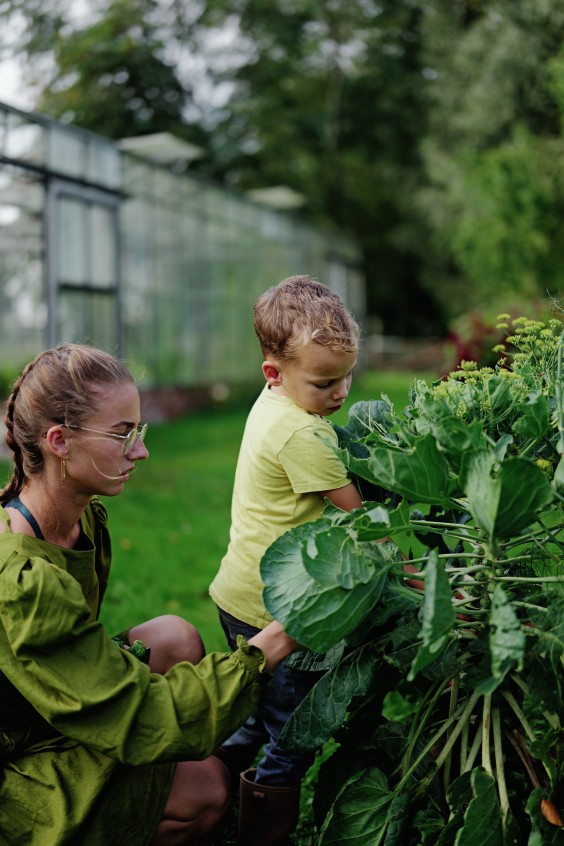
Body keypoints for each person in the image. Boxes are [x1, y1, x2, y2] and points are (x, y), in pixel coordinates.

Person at [0, 343, 300, 846]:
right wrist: (277, 638)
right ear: (59, 441)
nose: (140, 451)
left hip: (49, 708)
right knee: (207, 789)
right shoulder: (21, 577)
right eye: (123, 434)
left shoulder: (81, 522)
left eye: (138, 431)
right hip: (14, 761)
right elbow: (139, 717)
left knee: (175, 638)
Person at [209, 274, 363, 845]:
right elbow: (361, 519)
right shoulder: (301, 434)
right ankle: (262, 832)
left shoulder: (274, 403)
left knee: (253, 717)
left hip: (238, 597)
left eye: (346, 376)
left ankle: (204, 796)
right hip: (278, 611)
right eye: (324, 382)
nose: (340, 393)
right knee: (292, 734)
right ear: (274, 372)